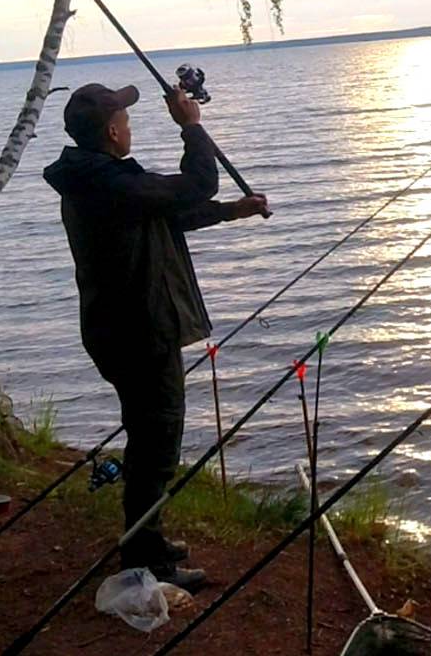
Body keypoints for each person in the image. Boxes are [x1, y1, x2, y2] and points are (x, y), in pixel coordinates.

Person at [42, 82, 269, 592]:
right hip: (138, 334)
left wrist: (232, 211)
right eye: (125, 119)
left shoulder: (98, 180)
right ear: (111, 131)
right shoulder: (109, 183)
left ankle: (146, 540)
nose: (130, 126)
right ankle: (147, 561)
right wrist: (191, 127)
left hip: (124, 331)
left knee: (149, 440)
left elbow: (169, 212)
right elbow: (196, 185)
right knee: (156, 446)